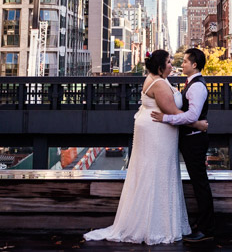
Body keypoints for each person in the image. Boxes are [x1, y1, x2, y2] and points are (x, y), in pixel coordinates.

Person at [84, 50, 207, 245]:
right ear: (159, 67)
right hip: (158, 134)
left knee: (156, 173)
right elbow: (172, 111)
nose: (172, 65)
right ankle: (155, 225)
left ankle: (158, 222)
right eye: (168, 62)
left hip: (159, 133)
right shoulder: (158, 84)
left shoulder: (156, 78)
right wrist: (198, 124)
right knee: (156, 173)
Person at [152, 47, 215, 243]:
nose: (182, 64)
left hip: (195, 140)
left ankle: (206, 228)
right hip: (191, 137)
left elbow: (192, 116)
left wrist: (166, 118)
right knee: (198, 182)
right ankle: (202, 224)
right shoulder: (191, 83)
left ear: (194, 65)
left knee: (200, 183)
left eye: (186, 61)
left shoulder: (197, 87)